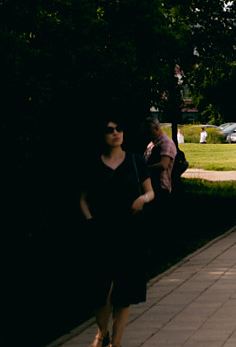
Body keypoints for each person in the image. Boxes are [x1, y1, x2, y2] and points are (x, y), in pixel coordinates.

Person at [79, 118, 154, 347]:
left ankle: (116, 342)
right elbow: (83, 199)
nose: (115, 133)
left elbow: (150, 192)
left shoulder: (135, 161)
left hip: (130, 233)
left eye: (119, 129)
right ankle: (102, 333)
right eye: (110, 130)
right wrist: (90, 219)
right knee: (100, 290)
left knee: (125, 290)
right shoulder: (93, 164)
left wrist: (142, 199)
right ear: (102, 135)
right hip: (101, 233)